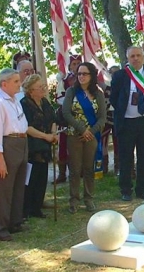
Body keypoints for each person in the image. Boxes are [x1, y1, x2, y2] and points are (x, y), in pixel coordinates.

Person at [110, 46, 144, 201]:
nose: (136, 58)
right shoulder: (119, 76)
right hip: (127, 123)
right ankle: (126, 190)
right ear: (127, 58)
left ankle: (142, 190)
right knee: (125, 158)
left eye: (138, 55)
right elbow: (114, 98)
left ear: (143, 56)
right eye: (132, 56)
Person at [0, 68, 28, 241]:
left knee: (19, 185)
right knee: (5, 189)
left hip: (21, 142)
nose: (20, 84)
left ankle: (14, 222)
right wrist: (0, 159)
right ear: (4, 84)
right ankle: (0, 228)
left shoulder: (14, 99)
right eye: (16, 82)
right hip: (8, 144)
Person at [62, 62, 106, 214]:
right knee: (74, 169)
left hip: (91, 136)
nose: (81, 76)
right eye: (79, 74)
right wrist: (82, 130)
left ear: (91, 75)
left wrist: (91, 132)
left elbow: (102, 118)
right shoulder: (71, 92)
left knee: (88, 168)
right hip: (74, 135)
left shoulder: (98, 93)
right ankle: (74, 200)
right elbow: (66, 113)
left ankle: (89, 199)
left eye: (84, 73)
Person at [20, 74, 58, 219]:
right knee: (31, 177)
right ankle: (26, 208)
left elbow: (53, 119)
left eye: (43, 86)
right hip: (32, 145)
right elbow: (27, 127)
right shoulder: (24, 104)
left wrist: (53, 133)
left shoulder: (45, 102)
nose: (43, 89)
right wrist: (45, 136)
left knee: (42, 176)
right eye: (40, 87)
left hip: (46, 144)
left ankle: (37, 206)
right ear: (31, 90)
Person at [54, 54, 82, 184]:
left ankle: (77, 171)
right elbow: (59, 98)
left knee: (79, 144)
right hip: (66, 116)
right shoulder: (64, 79)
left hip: (81, 116)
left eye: (78, 63)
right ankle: (62, 174)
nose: (76, 66)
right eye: (74, 64)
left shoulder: (85, 77)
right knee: (64, 145)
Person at [100, 65, 120, 175]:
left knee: (118, 142)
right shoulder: (105, 86)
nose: (114, 75)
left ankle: (118, 166)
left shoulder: (122, 86)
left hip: (117, 118)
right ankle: (104, 166)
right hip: (106, 118)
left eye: (116, 73)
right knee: (103, 142)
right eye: (112, 73)